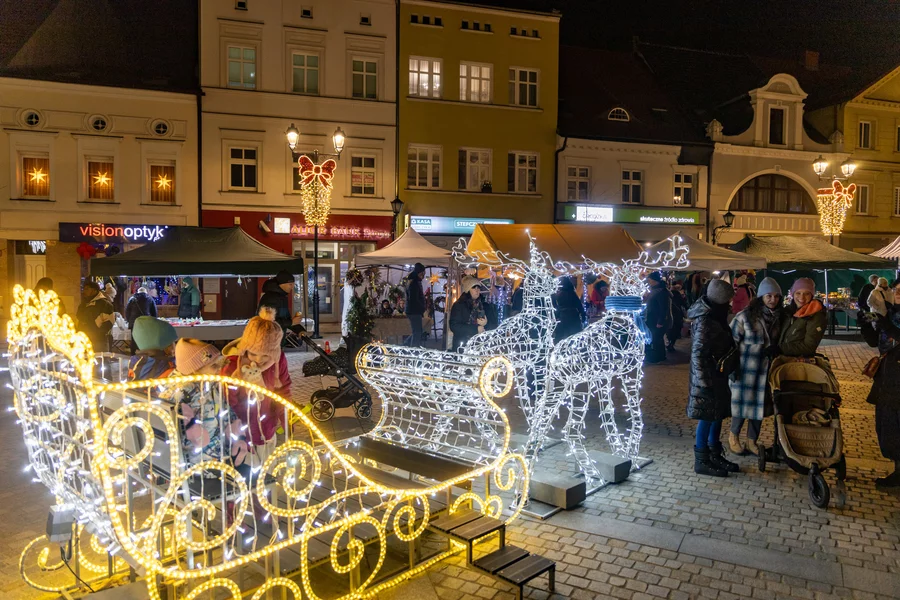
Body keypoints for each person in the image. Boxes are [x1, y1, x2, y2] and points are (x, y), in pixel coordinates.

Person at [687, 279, 739, 477]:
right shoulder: (706, 320)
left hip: (717, 374)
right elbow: (698, 354)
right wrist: (704, 382)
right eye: (728, 300)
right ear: (720, 300)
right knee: (707, 417)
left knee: (717, 415)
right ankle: (702, 460)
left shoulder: (715, 315)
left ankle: (714, 453)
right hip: (708, 378)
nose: (730, 303)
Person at [222, 308, 291, 456]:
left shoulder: (278, 362)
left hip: (267, 429)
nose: (258, 360)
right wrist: (233, 385)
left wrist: (286, 419)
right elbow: (226, 401)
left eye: (265, 356)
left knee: (269, 467)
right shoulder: (232, 365)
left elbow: (283, 390)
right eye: (253, 354)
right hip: (241, 434)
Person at [728, 277, 783, 456]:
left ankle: (752, 440)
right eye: (769, 296)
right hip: (745, 371)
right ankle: (733, 437)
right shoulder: (744, 316)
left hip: (766, 372)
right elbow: (730, 343)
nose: (773, 300)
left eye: (776, 296)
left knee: (759, 409)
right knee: (740, 407)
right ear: (760, 297)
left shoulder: (779, 318)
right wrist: (732, 368)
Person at [862, 280, 900, 487]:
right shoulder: (890, 313)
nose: (898, 293)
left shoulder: (889, 318)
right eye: (897, 289)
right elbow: (873, 341)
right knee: (888, 426)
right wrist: (865, 324)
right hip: (887, 377)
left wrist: (885, 324)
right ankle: (898, 470)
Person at [779, 278, 827, 357]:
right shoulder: (788, 312)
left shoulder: (815, 316)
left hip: (798, 361)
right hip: (783, 359)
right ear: (793, 294)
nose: (802, 297)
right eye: (798, 293)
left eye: (807, 294)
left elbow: (809, 347)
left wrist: (780, 349)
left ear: (811, 295)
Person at [449, 276, 498, 351]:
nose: (477, 290)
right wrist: (475, 329)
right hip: (463, 345)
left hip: (482, 346)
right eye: (473, 287)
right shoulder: (459, 305)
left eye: (478, 288)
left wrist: (486, 324)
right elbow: (454, 326)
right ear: (468, 290)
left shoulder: (485, 305)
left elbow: (494, 325)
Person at [76, 281, 115, 353]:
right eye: (84, 289)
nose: (84, 291)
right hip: (84, 338)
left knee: (99, 358)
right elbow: (79, 316)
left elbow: (109, 322)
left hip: (99, 341)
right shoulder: (84, 303)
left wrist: (98, 333)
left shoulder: (104, 304)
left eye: (87, 289)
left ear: (94, 290)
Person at [644, 271, 672, 364]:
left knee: (657, 339)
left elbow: (663, 308)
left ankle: (657, 357)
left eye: (650, 280)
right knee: (656, 338)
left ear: (654, 280)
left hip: (656, 319)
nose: (649, 282)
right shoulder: (655, 291)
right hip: (652, 318)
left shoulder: (661, 292)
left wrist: (660, 321)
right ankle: (659, 356)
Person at [552, 276, 586, 343]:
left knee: (561, 335)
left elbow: (555, 306)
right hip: (573, 315)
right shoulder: (572, 293)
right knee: (574, 335)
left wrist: (556, 316)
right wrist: (583, 315)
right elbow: (579, 305)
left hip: (563, 316)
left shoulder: (557, 294)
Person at [125, 287, 158, 354]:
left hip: (134, 323)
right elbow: (154, 313)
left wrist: (129, 321)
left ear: (137, 292)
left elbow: (127, 311)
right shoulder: (150, 299)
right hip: (146, 323)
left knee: (134, 340)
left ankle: (133, 355)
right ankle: (145, 355)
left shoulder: (132, 299)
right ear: (146, 292)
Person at [405, 263, 426, 346]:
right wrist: (422, 308)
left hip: (413, 310)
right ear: (420, 272)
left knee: (417, 331)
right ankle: (413, 349)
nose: (424, 275)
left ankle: (406, 345)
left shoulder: (414, 281)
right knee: (417, 332)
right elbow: (414, 299)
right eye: (423, 272)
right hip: (414, 311)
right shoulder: (414, 283)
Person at [667, 281, 687, 351]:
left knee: (670, 329)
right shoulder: (679, 295)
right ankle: (672, 343)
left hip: (670, 314)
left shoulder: (668, 295)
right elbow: (684, 304)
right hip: (678, 314)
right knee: (676, 330)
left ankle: (669, 342)